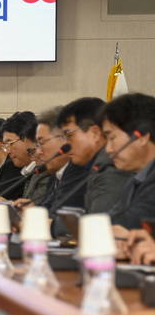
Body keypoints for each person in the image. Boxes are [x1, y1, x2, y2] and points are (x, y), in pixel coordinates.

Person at [49, 97, 133, 237]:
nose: (65, 145)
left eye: (69, 135)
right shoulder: (91, 165)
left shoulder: (110, 166)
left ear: (95, 133)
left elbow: (99, 224)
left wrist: (52, 226)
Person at [100, 93, 155, 233]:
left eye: (112, 138)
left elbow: (129, 220)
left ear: (142, 137)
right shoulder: (135, 177)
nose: (108, 149)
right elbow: (115, 214)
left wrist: (55, 226)